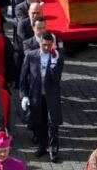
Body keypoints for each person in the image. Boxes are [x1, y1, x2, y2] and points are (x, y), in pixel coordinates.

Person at [20, 33, 65, 162]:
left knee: (53, 124)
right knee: (39, 122)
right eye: (44, 44)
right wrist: (24, 96)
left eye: (49, 45)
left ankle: (54, 149)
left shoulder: (57, 57)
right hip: (36, 95)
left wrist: (53, 65)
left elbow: (56, 80)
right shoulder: (31, 56)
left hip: (51, 96)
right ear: (40, 43)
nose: (46, 47)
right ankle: (42, 146)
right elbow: (23, 77)